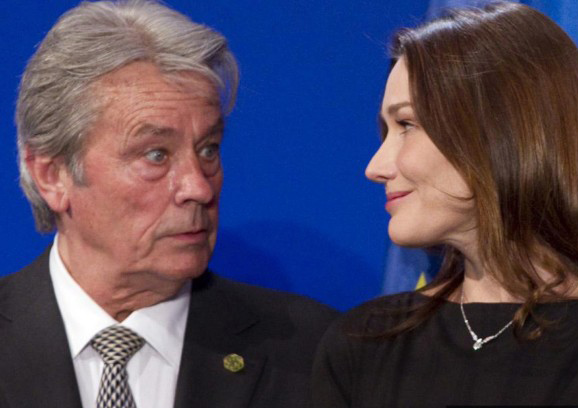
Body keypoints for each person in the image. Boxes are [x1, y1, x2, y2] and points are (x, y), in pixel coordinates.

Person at [0, 1, 337, 407]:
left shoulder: (316, 354)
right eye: (156, 155)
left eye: (208, 149)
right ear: (52, 176)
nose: (199, 187)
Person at [312, 2, 578, 406]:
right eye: (386, 130)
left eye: (407, 124)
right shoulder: (365, 343)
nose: (375, 167)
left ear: (502, 133)